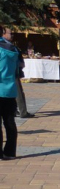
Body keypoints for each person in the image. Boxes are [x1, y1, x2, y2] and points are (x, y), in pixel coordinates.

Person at [0, 25, 22, 159]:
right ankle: (10, 151)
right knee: (9, 122)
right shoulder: (13, 49)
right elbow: (18, 70)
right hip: (10, 89)